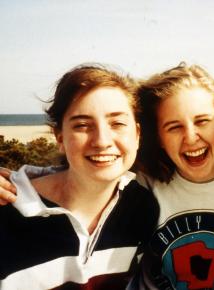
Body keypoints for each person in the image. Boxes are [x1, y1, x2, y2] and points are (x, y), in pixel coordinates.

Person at [0, 64, 159, 289]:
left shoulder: (142, 206)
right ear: (60, 137)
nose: (102, 140)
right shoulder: (6, 210)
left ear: (137, 134)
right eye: (83, 125)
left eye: (117, 123)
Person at [128, 63, 214, 290]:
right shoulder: (143, 185)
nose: (191, 137)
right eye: (174, 127)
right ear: (159, 137)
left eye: (202, 121)